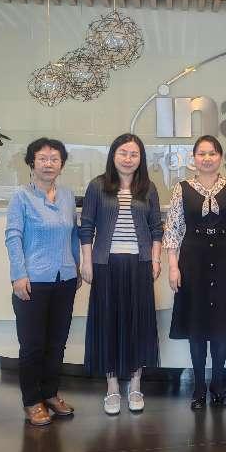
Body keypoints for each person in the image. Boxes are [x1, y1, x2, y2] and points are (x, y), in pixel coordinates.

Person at [163, 135, 226, 410]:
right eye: (201, 154)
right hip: (193, 262)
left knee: (222, 328)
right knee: (197, 327)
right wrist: (173, 266)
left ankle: (219, 386)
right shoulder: (181, 188)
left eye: (212, 153)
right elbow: (173, 230)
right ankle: (199, 387)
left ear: (220, 157)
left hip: (225, 260)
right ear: (194, 158)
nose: (207, 158)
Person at [80, 133, 163, 415]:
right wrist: (87, 262)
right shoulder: (97, 186)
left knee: (138, 323)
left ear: (141, 158)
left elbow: (156, 228)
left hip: (139, 264)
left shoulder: (148, 188)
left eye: (134, 154)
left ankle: (135, 384)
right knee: (109, 324)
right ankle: (113, 387)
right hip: (106, 264)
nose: (128, 159)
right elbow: (86, 227)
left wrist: (155, 260)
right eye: (123, 153)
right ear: (113, 155)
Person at [5, 138, 80, 426]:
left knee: (57, 343)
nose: (49, 164)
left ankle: (50, 393)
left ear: (62, 164)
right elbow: (13, 237)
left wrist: (76, 266)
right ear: (31, 162)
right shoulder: (21, 197)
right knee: (32, 345)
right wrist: (18, 274)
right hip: (32, 281)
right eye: (43, 158)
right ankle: (32, 400)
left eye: (54, 159)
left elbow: (73, 235)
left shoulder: (67, 196)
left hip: (65, 278)